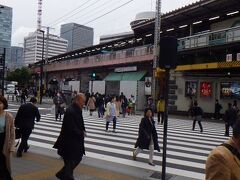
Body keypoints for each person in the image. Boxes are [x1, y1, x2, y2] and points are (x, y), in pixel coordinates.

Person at [53, 93, 86, 180]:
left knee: (77, 158)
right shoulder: (71, 111)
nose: (84, 104)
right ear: (78, 100)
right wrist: (81, 133)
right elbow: (70, 127)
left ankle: (61, 174)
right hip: (68, 142)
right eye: (83, 101)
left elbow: (80, 122)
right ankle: (65, 175)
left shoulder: (77, 109)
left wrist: (83, 130)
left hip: (74, 142)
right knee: (70, 163)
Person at [0, 95, 15, 180]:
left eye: (0, 103)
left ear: (4, 104)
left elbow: (12, 133)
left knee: (3, 162)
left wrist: (12, 146)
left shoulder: (8, 116)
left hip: (4, 141)